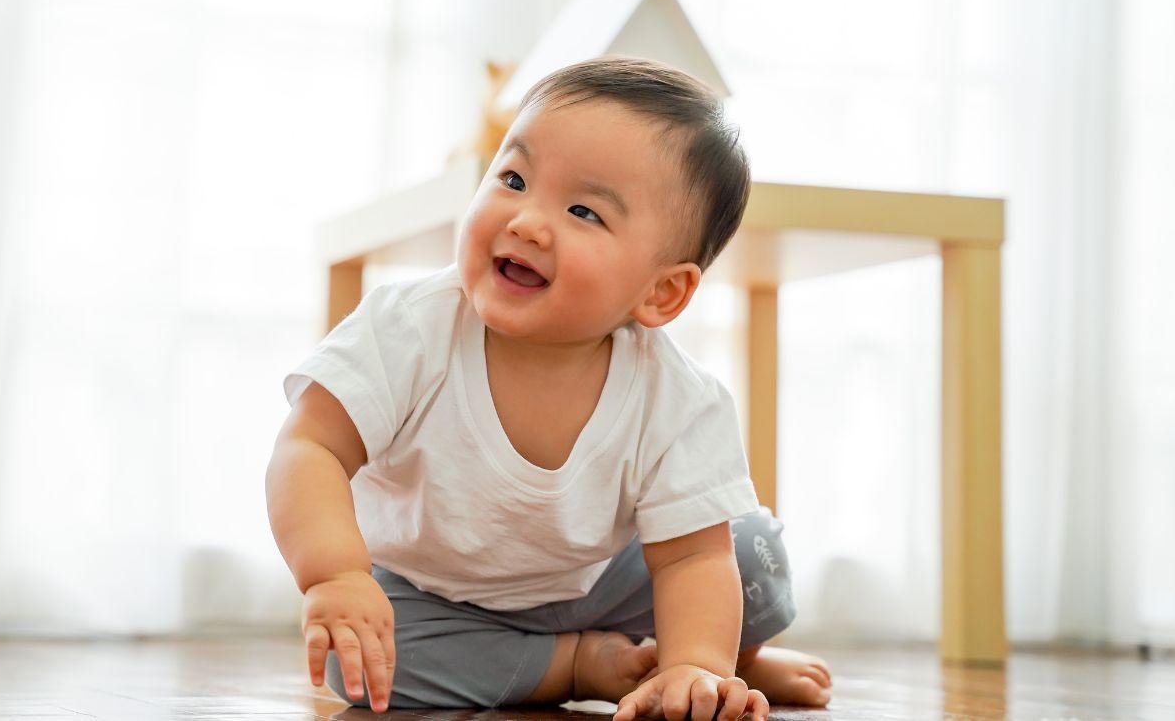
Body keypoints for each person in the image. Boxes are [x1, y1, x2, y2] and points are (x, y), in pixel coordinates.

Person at [266, 56, 833, 719]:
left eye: (584, 212)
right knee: (360, 662)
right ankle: (579, 665)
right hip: (435, 592)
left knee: (746, 558)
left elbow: (687, 561)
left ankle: (720, 665)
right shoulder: (409, 329)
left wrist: (695, 665)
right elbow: (310, 446)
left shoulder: (677, 398)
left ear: (661, 291)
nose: (528, 222)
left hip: (598, 581)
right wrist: (335, 574)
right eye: (512, 178)